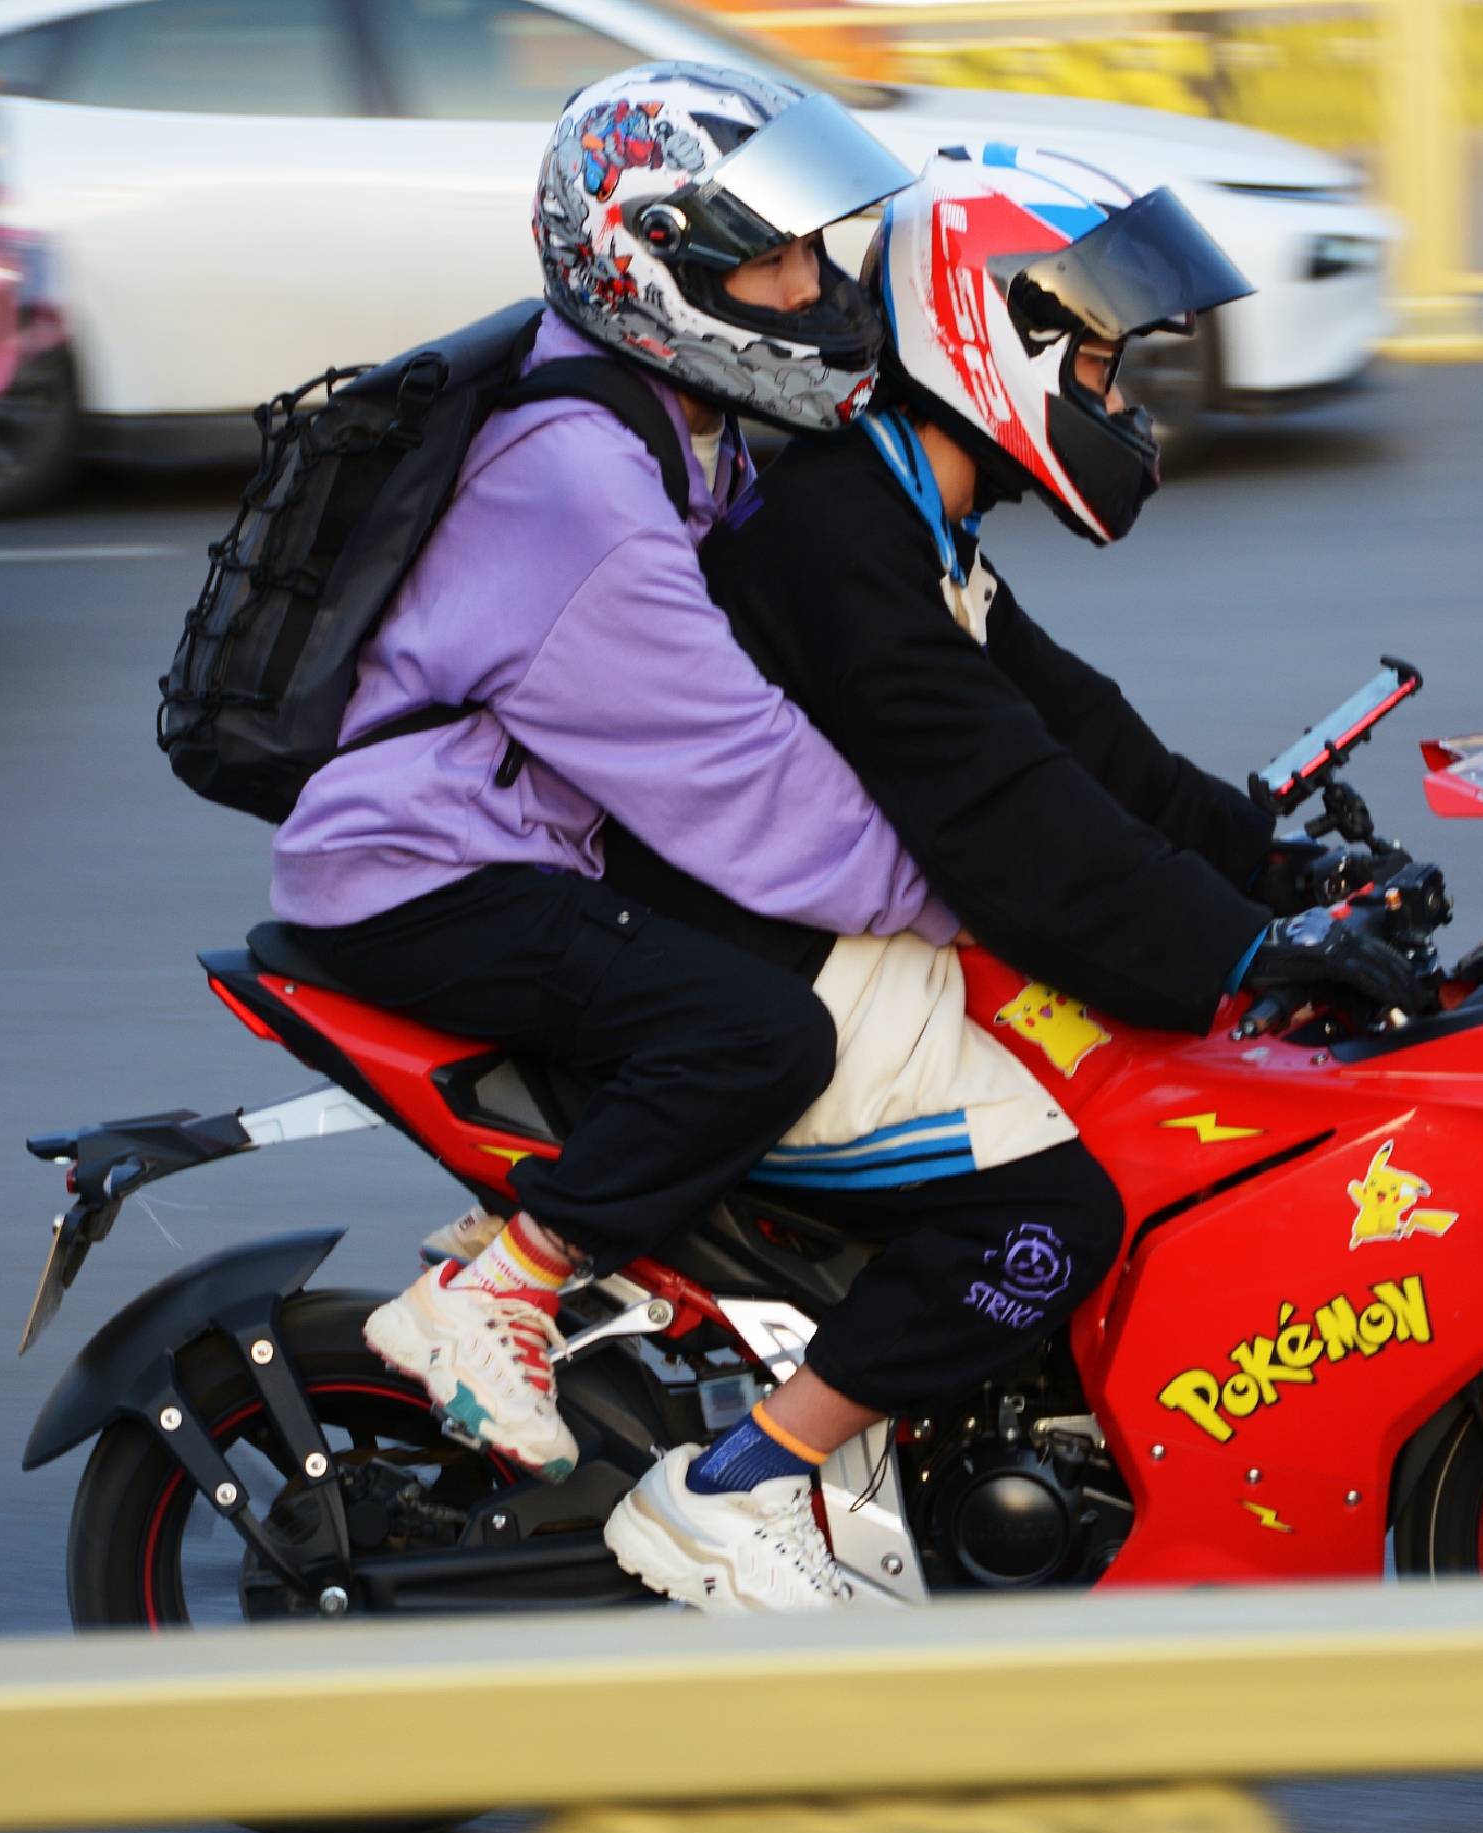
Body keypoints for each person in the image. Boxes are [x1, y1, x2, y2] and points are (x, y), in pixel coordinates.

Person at [586, 150, 1420, 1610]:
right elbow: (1018, 833)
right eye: (1098, 366)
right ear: (996, 339)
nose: (1121, 405)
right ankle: (749, 1477)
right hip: (753, 960)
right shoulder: (843, 538)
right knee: (1056, 1209)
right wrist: (1250, 956)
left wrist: (1280, 868)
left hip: (816, 935)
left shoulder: (909, 511)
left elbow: (1087, 750)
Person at [268, 65, 947, 1489]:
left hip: (509, 835)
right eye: (770, 259)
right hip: (424, 873)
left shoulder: (661, 415)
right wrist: (967, 898)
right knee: (759, 1034)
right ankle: (497, 1287)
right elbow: (742, 776)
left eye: (814, 251)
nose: (814, 289)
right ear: (653, 269)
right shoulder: (579, 484)